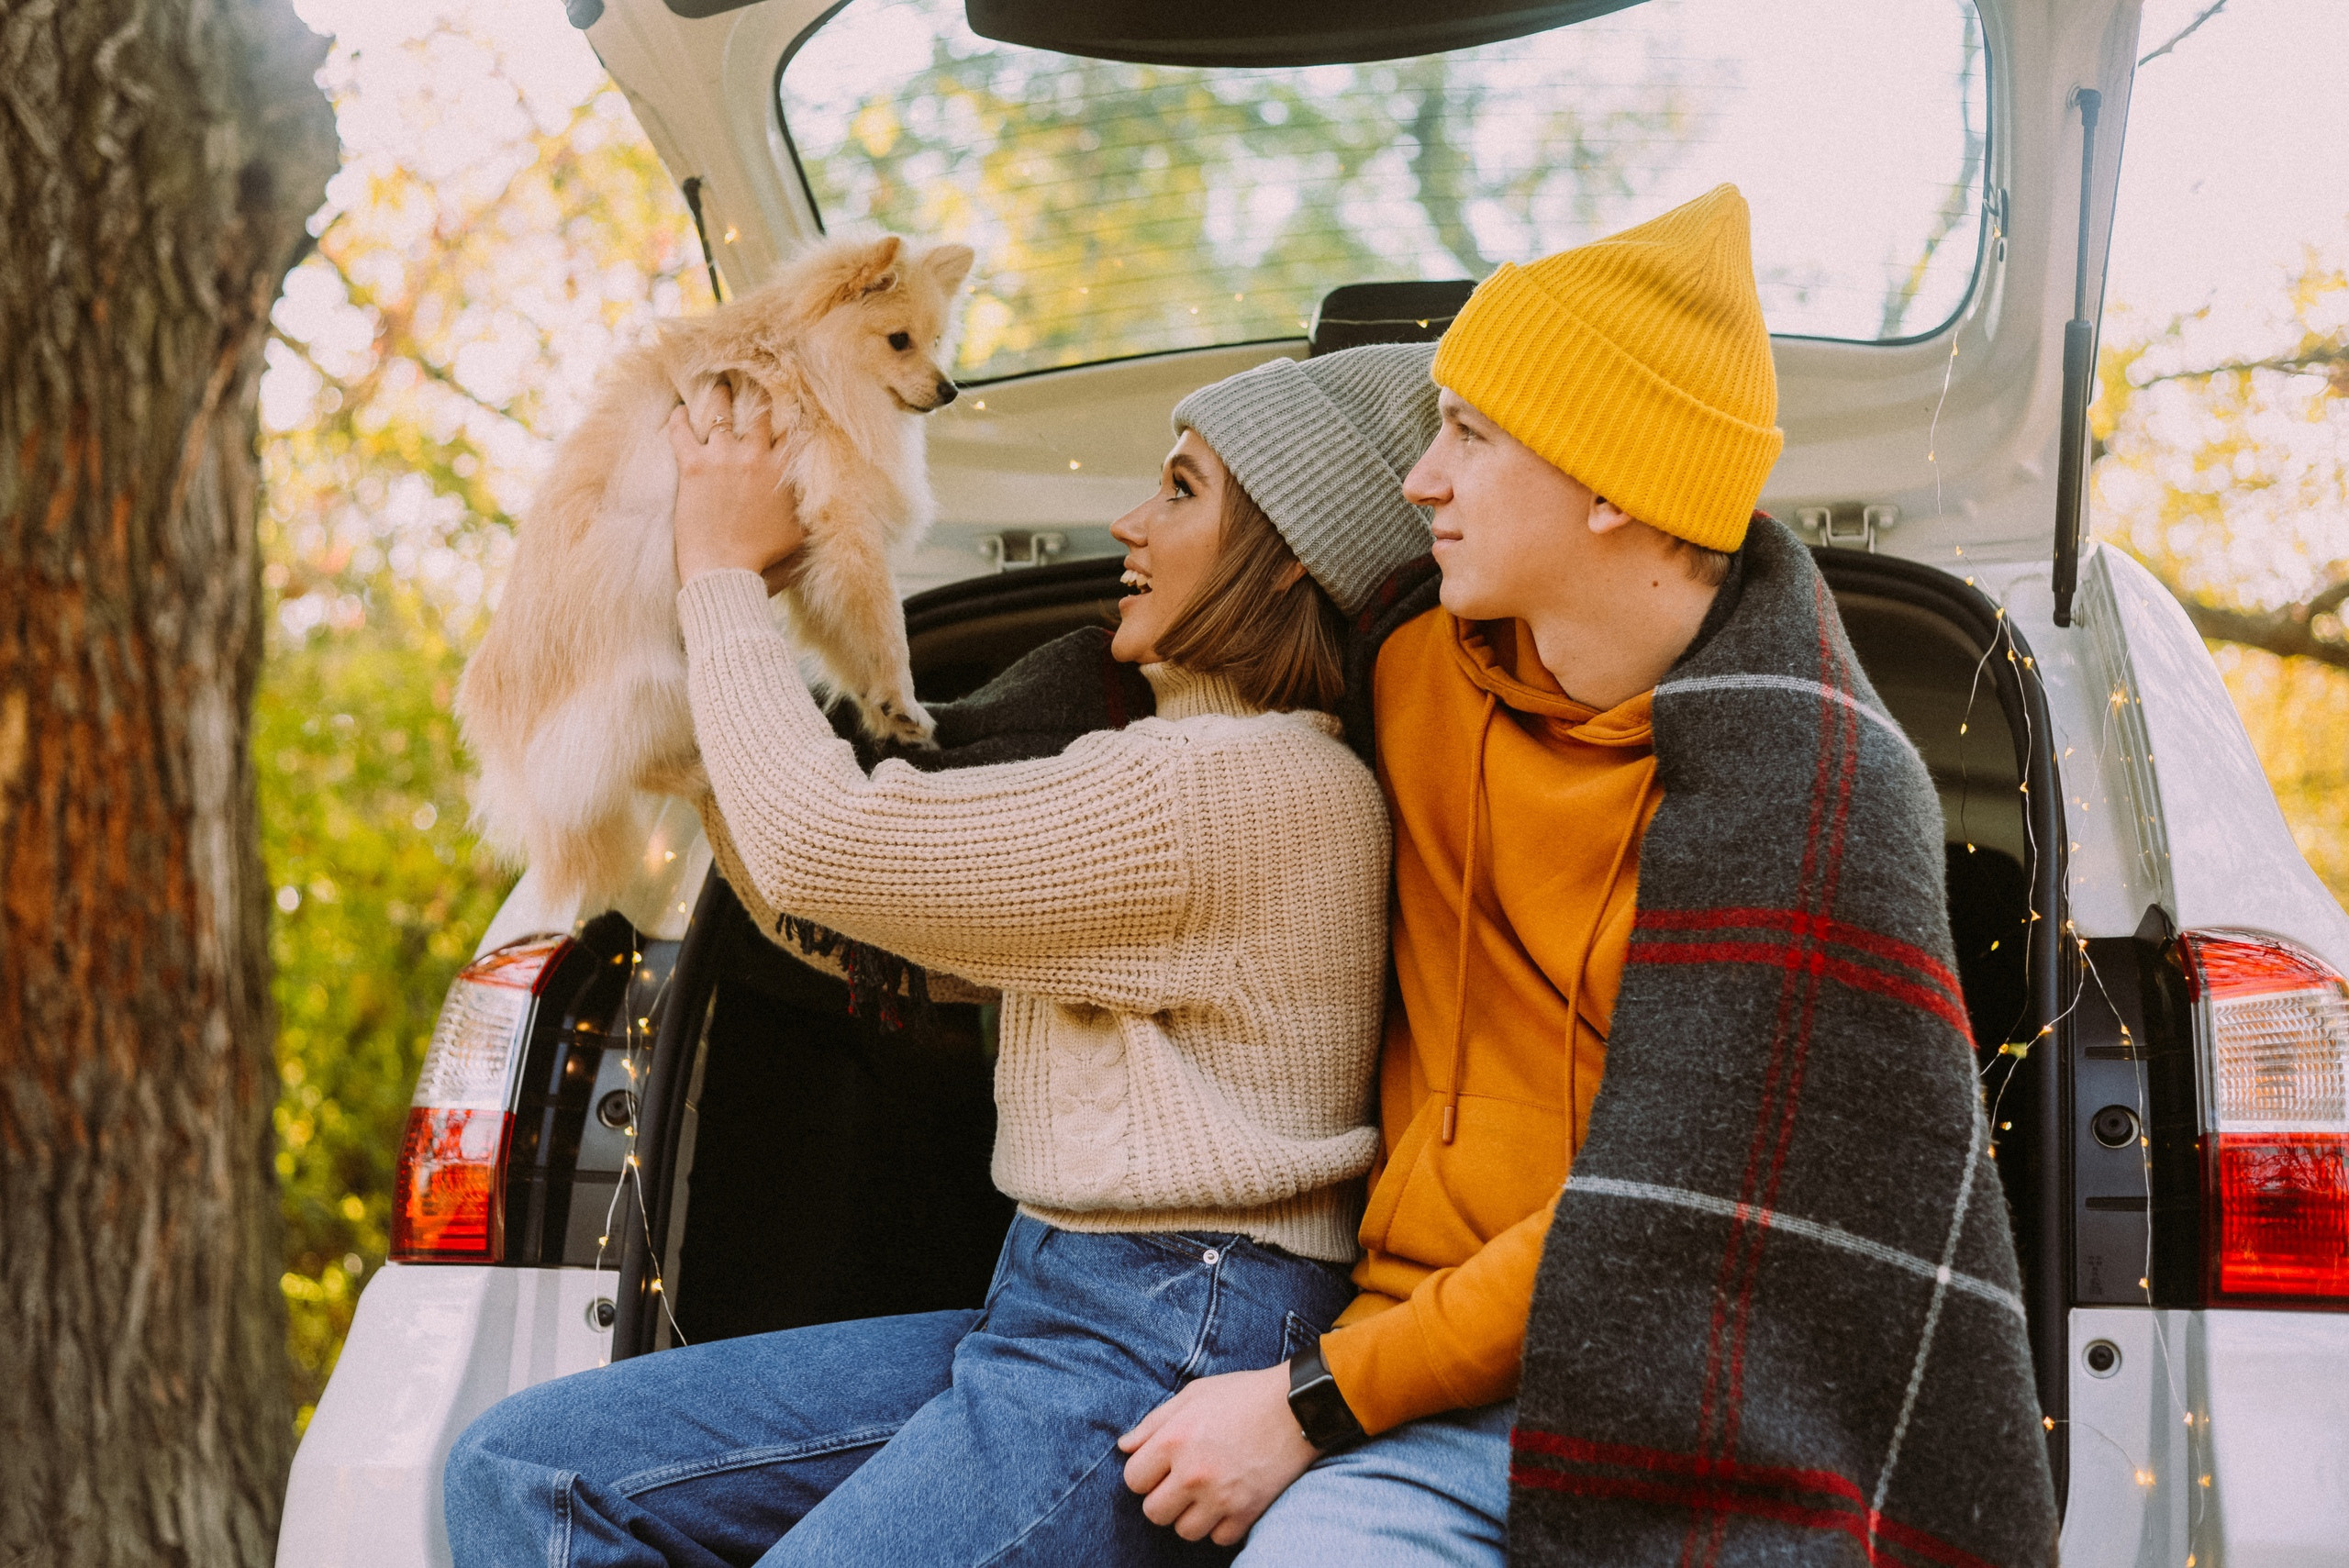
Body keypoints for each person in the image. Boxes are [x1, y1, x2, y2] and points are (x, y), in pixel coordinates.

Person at [1120, 183, 2054, 1567]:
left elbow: (1659, 1214)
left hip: (1691, 1402)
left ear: (1614, 484)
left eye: (1470, 435)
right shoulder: (1409, 663)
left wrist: (1308, 1404)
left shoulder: (1817, 789)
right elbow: (1182, 630)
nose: (1420, 479)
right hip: (1402, 1382)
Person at [439, 343, 1450, 1568]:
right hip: (1061, 1303)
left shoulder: (1235, 789)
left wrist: (721, 575)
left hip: (1173, 1324)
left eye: (1181, 490)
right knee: (528, 1471)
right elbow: (881, 931)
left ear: (1290, 553)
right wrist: (704, 755)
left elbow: (826, 845)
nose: (1131, 521)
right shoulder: (1185, 773)